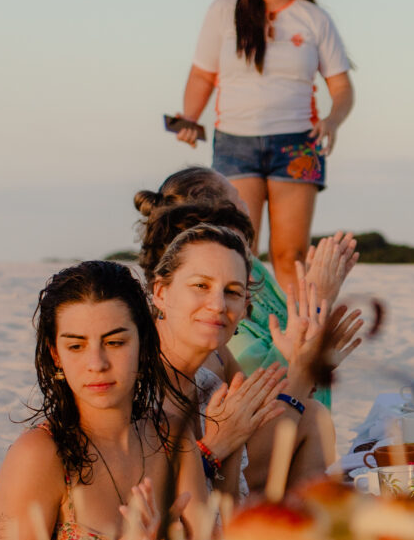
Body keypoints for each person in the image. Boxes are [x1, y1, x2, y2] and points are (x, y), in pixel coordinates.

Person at [173, 0, 356, 299]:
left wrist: (333, 120)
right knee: (239, 251)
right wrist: (189, 118)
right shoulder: (225, 10)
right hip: (235, 143)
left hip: (297, 143)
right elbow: (202, 74)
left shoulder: (314, 18)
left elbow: (341, 87)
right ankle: (243, 345)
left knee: (289, 255)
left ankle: (296, 340)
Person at [0, 261, 199, 540]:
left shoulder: (172, 437)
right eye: (76, 346)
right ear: (56, 354)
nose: (97, 364)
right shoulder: (40, 455)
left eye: (115, 342)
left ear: (143, 344)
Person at [133, 166, 360, 405]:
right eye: (237, 198)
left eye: (233, 289)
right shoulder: (207, 327)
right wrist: (316, 300)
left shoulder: (250, 271)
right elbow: (265, 403)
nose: (247, 206)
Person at [147, 222, 330, 497]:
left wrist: (299, 361)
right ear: (161, 293)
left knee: (312, 414)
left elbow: (258, 418)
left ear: (245, 305)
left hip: (216, 503)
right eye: (201, 285)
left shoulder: (217, 356)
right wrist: (214, 446)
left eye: (232, 292)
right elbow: (134, 498)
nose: (218, 305)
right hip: (158, 524)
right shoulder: (134, 369)